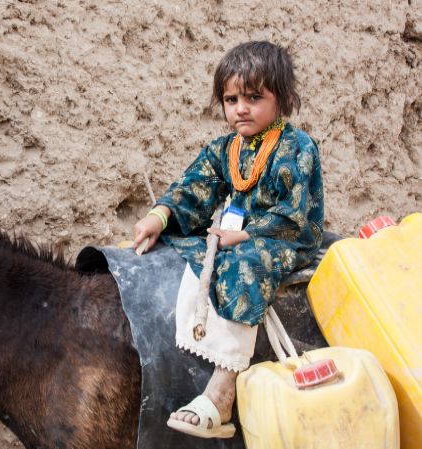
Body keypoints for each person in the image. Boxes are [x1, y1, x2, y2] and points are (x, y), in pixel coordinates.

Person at [132, 41, 324, 439]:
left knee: (245, 263)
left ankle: (222, 390)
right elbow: (194, 186)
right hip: (234, 233)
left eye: (254, 98)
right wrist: (160, 214)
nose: (241, 108)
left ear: (283, 98)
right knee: (180, 245)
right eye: (232, 98)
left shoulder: (297, 147)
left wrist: (247, 234)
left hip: (281, 235)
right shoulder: (225, 149)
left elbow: (294, 212)